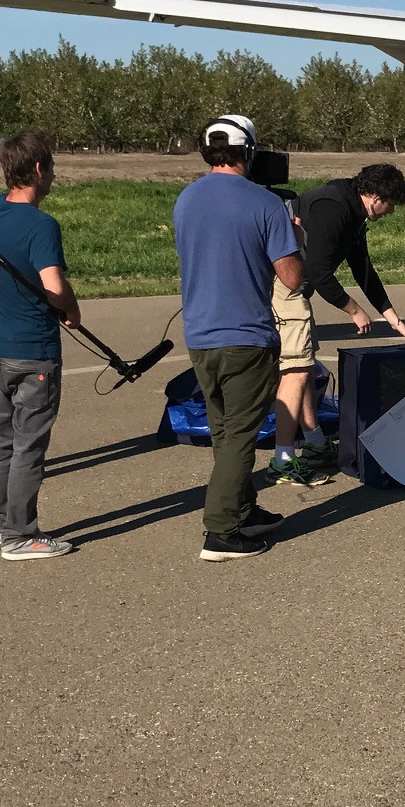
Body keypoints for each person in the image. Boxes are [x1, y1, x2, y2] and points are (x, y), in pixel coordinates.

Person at [173, 114, 305, 561]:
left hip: (200, 334)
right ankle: (222, 530)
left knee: (224, 429)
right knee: (240, 437)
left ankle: (244, 509)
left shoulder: (186, 199)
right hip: (246, 334)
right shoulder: (266, 204)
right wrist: (296, 237)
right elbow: (291, 278)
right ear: (248, 151)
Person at [267, 163, 405, 487]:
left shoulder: (353, 212)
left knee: (303, 367)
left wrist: (393, 319)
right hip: (280, 284)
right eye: (391, 203)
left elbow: (363, 270)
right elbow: (321, 272)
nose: (392, 211)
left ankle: (314, 444)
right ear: (374, 194)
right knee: (295, 371)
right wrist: (354, 311)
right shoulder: (333, 207)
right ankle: (283, 460)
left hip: (294, 284)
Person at [0, 130, 81, 560]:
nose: (54, 175)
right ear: (39, 170)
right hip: (34, 349)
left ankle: (4, 523)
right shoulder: (42, 225)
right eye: (52, 167)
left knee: (1, 439)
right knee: (29, 444)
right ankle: (21, 534)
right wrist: (71, 309)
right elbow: (53, 284)